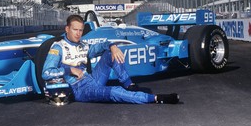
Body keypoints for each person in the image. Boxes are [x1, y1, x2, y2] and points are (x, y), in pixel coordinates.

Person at [41, 14, 179, 104]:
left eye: (80, 30)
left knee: (109, 54)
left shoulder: (83, 45)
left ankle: (129, 85)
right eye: (75, 30)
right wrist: (69, 69)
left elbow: (101, 46)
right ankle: (156, 98)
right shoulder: (58, 47)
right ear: (67, 29)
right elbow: (46, 73)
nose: (78, 34)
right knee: (114, 91)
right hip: (78, 89)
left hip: (92, 80)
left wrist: (112, 46)